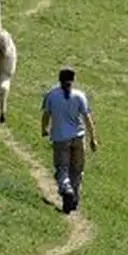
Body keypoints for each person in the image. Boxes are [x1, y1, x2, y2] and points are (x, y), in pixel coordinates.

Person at [40, 66, 98, 214]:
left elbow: (46, 115)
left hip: (60, 138)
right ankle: (75, 199)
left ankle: (66, 189)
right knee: (77, 170)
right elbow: (87, 118)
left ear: (59, 80)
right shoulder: (79, 96)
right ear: (73, 80)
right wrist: (93, 138)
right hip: (78, 138)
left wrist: (44, 129)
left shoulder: (51, 95)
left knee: (62, 168)